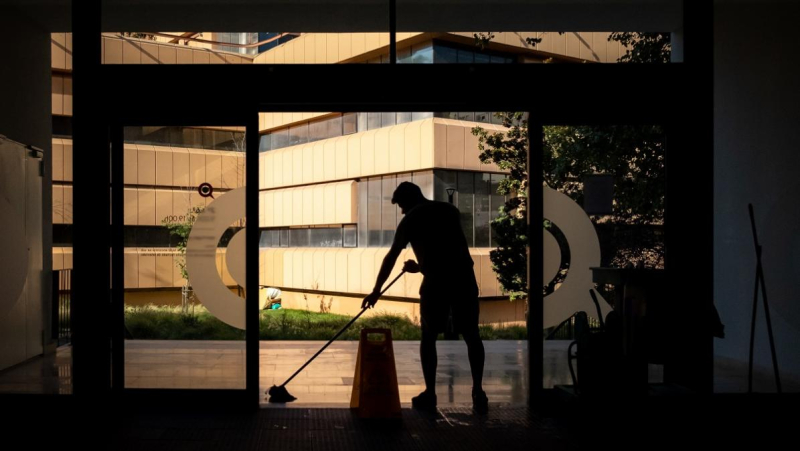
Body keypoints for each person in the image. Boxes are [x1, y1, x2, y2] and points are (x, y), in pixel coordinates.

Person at [361, 181, 488, 414]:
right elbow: (448, 251)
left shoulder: (410, 220)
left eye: (400, 205)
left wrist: (376, 290)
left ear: (407, 200)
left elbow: (391, 256)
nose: (401, 210)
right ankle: (478, 390)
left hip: (436, 284)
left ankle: (430, 392)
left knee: (428, 336)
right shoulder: (450, 211)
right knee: (472, 334)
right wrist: (420, 266)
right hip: (463, 279)